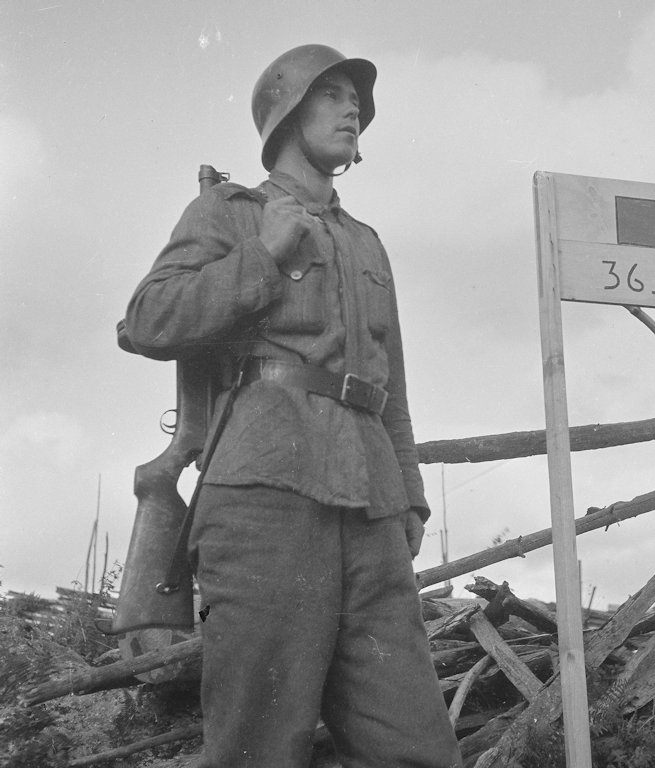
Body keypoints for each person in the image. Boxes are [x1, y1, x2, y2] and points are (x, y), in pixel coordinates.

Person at [123, 44, 462, 768]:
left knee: (416, 746)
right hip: (264, 497)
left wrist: (409, 498)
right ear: (285, 114)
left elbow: (391, 390)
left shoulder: (366, 243)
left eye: (356, 100)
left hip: (371, 507)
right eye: (331, 94)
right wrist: (264, 255)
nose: (352, 110)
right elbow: (148, 319)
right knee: (257, 745)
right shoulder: (230, 213)